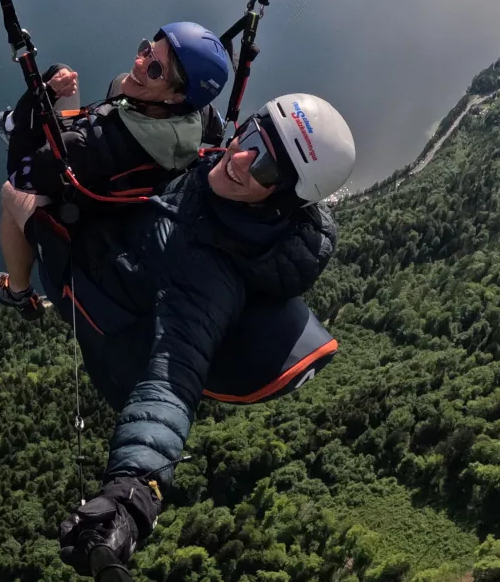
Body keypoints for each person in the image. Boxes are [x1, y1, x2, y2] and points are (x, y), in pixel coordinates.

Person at [39, 93, 358, 577]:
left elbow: (173, 379)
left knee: (19, 199)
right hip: (118, 246)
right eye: (252, 135)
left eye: (268, 168)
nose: (241, 159)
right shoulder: (226, 181)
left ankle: (18, 292)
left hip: (91, 287)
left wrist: (133, 494)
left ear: (284, 200)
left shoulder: (211, 274)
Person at [0, 23, 231, 320]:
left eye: (155, 69)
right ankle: (24, 121)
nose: (139, 62)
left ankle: (19, 293)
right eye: (146, 50)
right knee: (95, 77)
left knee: (9, 191)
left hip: (80, 224)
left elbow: (20, 172)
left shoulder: (87, 146)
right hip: (121, 186)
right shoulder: (198, 115)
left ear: (176, 97)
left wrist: (43, 97)